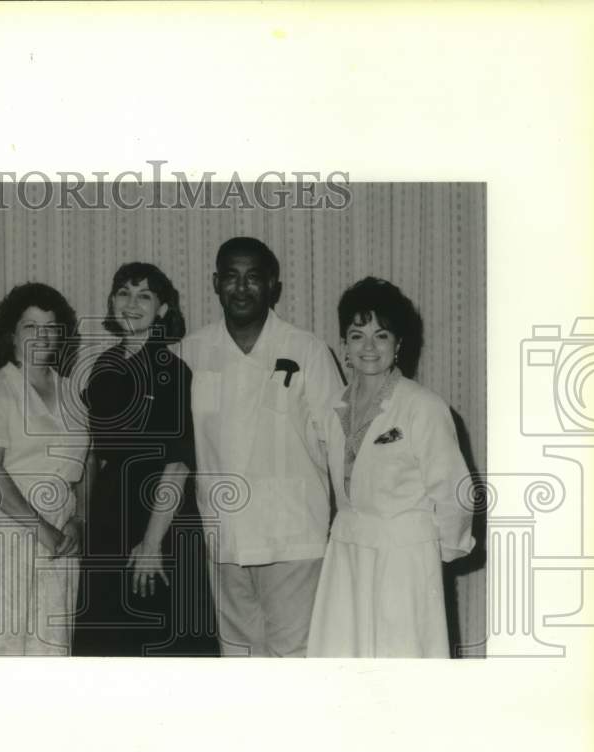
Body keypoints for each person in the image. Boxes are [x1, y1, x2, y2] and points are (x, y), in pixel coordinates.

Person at [178, 237, 345, 657]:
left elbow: (340, 442)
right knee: (239, 662)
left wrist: (347, 526)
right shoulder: (191, 353)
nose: (241, 287)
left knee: (295, 660)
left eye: (253, 278)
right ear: (215, 283)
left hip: (294, 538)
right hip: (225, 539)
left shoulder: (306, 350)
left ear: (273, 285)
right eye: (231, 277)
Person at [308, 277, 474, 657]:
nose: (368, 347)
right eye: (356, 335)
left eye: (381, 335)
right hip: (347, 552)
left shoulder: (423, 406)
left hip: (405, 558)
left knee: (402, 669)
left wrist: (440, 553)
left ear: (398, 344)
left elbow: (456, 493)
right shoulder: (333, 408)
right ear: (344, 345)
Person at [72, 263, 219, 657]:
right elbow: (95, 455)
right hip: (110, 518)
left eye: (144, 296)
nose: (131, 303)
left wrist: (152, 544)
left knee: (157, 643)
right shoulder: (103, 368)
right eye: (124, 292)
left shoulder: (174, 371)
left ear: (164, 310)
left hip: (159, 519)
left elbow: (178, 464)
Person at [0, 282, 90, 656]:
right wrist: (41, 529)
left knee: (49, 646)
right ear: (10, 335)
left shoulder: (72, 394)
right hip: (5, 529)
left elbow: (80, 470)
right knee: (3, 642)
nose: (42, 336)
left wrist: (77, 521)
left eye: (50, 327)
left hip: (60, 535)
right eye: (31, 327)